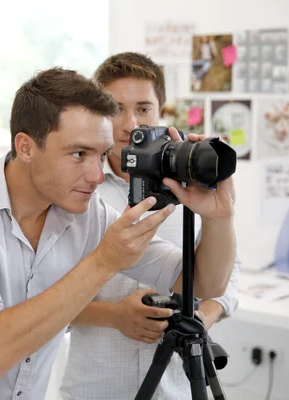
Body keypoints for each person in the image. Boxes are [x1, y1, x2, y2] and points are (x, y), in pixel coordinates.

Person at [0, 67, 237, 400]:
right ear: (26, 147)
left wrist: (219, 218)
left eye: (101, 155)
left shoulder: (86, 213)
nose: (96, 175)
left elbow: (203, 283)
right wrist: (104, 261)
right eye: (79, 154)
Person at [60, 52, 241, 400]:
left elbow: (230, 273)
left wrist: (202, 313)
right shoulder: (77, 189)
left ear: (161, 109)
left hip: (177, 386)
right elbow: (40, 293)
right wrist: (112, 315)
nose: (130, 123)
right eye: (116, 108)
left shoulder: (191, 181)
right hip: (96, 386)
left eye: (143, 108)